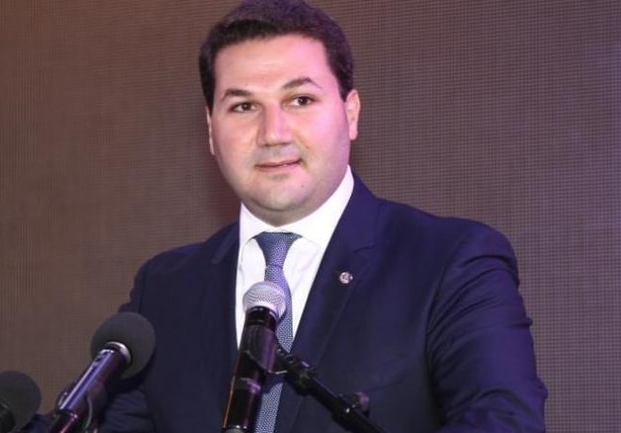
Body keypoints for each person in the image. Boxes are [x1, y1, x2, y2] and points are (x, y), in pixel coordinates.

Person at [99, 1, 547, 432]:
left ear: (350, 113)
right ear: (211, 131)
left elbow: (505, 421)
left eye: (300, 100)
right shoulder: (165, 289)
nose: (272, 133)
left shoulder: (449, 262)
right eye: (243, 106)